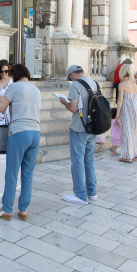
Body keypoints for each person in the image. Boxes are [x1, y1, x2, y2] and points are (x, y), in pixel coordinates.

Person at [0, 64, 41, 220]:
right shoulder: (36, 89)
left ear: (14, 76)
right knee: (28, 174)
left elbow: (1, 108)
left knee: (12, 173)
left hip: (19, 131)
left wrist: (1, 99)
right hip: (35, 132)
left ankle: (7, 209)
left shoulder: (14, 87)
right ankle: (23, 209)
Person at [60, 65, 101, 204]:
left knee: (77, 161)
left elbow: (73, 108)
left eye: (70, 77)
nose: (71, 80)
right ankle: (92, 192)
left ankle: (80, 194)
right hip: (93, 126)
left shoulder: (76, 85)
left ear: (72, 74)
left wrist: (64, 102)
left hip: (79, 127)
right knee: (89, 159)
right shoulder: (94, 83)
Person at [114, 64, 137, 162]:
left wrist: (118, 113)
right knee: (136, 131)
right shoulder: (134, 83)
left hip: (128, 108)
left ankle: (127, 156)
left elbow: (120, 100)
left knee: (128, 131)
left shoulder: (122, 84)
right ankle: (136, 152)